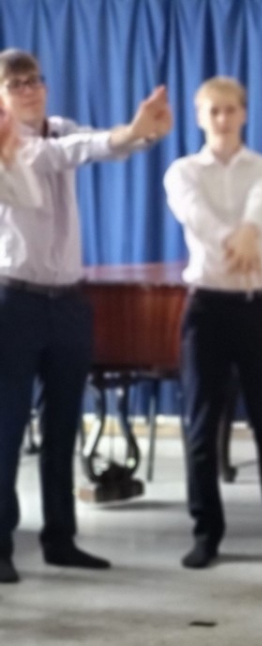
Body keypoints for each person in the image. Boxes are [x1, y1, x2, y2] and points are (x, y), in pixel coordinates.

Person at [0, 48, 172, 585]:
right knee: (6, 428)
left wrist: (145, 135)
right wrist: (127, 134)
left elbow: (99, 145)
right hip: (15, 300)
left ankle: (61, 540)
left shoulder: (63, 127)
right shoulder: (10, 144)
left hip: (69, 300)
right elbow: (63, 155)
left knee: (64, 426)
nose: (29, 89)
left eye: (35, 80)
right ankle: (0, 546)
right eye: (15, 83)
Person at [163, 76, 262, 570]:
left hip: (257, 310)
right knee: (201, 429)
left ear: (244, 114)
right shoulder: (182, 171)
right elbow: (195, 215)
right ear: (200, 117)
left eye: (230, 109)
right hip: (206, 310)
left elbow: (261, 205)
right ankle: (206, 536)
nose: (222, 119)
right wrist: (235, 241)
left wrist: (251, 231)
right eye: (213, 111)